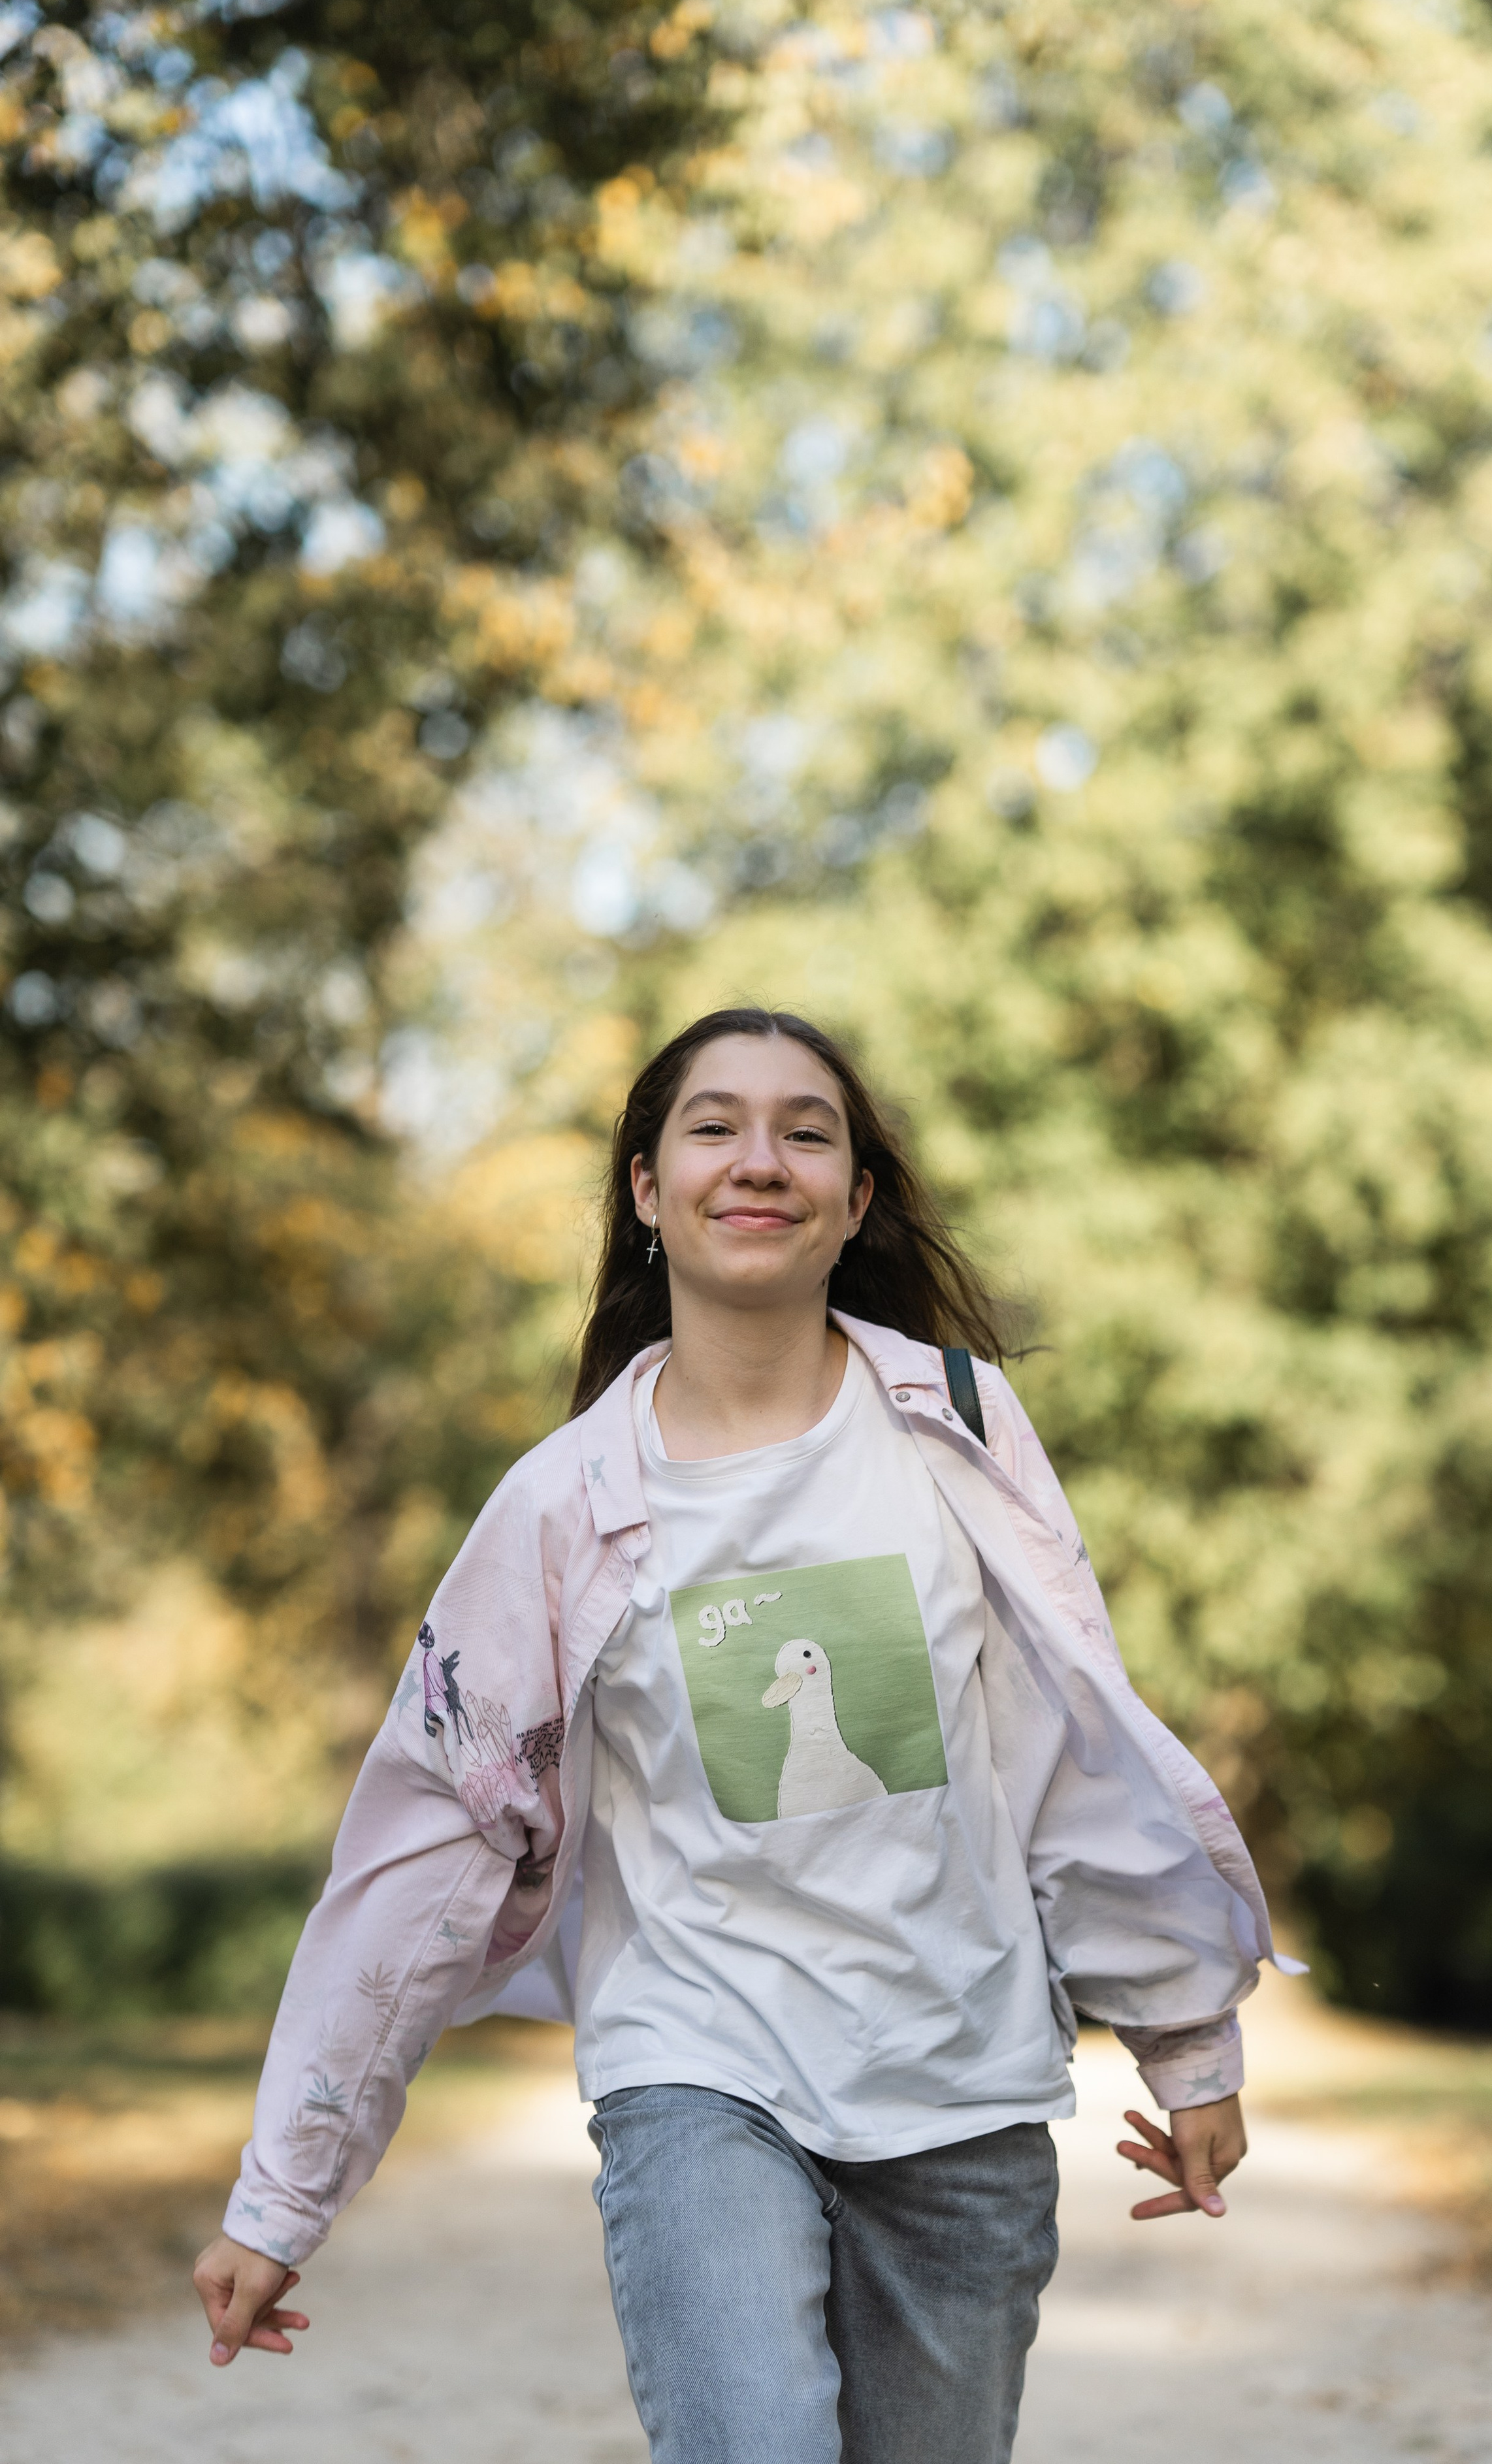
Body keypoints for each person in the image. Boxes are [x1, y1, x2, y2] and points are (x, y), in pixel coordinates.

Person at [193, 1005, 1277, 2464]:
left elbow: (1062, 1753)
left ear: (854, 1200)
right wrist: (284, 2193)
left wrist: (1185, 2039)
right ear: (647, 1191)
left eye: (803, 1131)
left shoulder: (957, 1425)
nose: (757, 1161)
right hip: (695, 2066)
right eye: (712, 1126)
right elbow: (428, 1845)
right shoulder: (559, 1505)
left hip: (957, 2085)